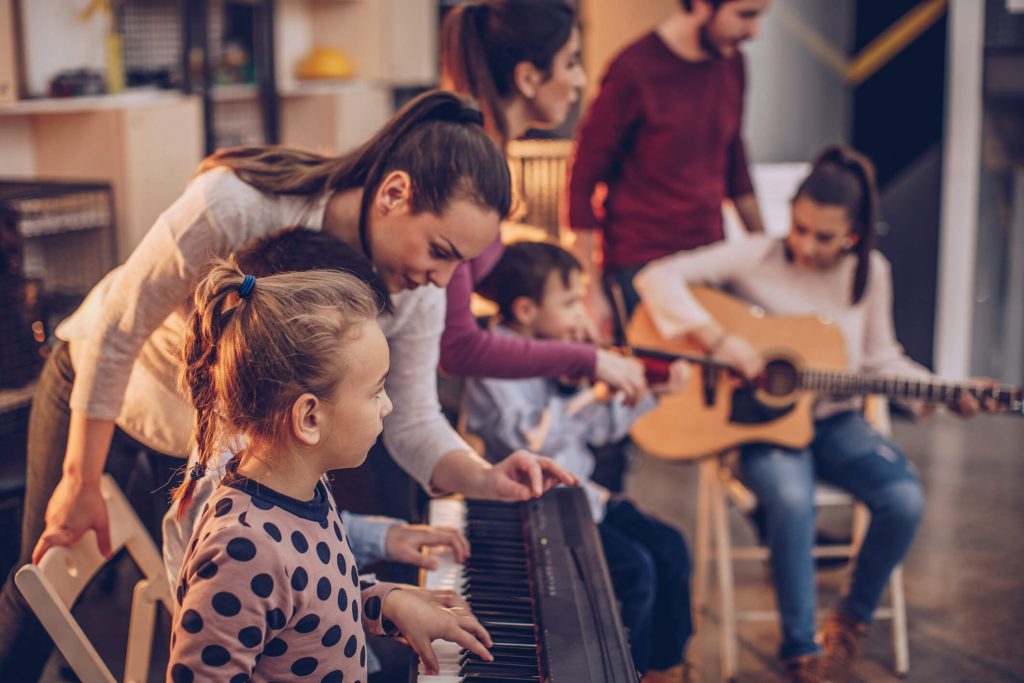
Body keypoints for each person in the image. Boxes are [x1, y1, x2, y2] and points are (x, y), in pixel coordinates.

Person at [0, 90, 575, 681]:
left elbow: (413, 421)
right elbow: (118, 332)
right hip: (111, 375)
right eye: (440, 252)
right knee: (47, 578)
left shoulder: (416, 291)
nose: (441, 281)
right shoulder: (236, 205)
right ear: (395, 193)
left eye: (460, 267)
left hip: (222, 423)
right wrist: (80, 479)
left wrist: (482, 476)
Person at [634, 144, 989, 682]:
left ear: (855, 231)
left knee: (903, 497)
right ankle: (800, 650)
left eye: (825, 237)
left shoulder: (871, 273)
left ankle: (848, 623)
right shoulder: (756, 254)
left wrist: (942, 391)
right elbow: (655, 278)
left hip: (836, 422)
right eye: (798, 227)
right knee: (792, 499)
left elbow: (880, 359)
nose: (805, 244)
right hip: (760, 427)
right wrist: (723, 342)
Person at [168, 260, 494, 682]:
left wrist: (386, 602)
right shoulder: (242, 549)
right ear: (309, 418)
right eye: (376, 391)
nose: (388, 405)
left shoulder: (304, 490)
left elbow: (309, 601)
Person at [466, 241, 695, 683]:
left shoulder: (557, 352)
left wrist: (645, 394)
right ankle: (631, 670)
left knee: (670, 547)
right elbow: (530, 439)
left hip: (584, 494)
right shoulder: (494, 360)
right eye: (570, 302)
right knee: (635, 571)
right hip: (538, 504)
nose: (580, 317)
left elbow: (598, 431)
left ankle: (666, 669)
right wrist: (591, 381)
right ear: (527, 309)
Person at [437, 0, 649, 400]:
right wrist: (587, 361)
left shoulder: (490, 155)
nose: (582, 80)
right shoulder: (466, 167)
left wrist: (561, 315)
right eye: (570, 63)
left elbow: (474, 282)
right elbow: (457, 347)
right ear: (528, 77)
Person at [568, 0, 769, 342]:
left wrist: (768, 253)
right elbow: (582, 181)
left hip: (708, 260)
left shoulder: (733, 64)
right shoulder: (633, 70)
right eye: (745, 15)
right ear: (701, 6)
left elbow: (736, 168)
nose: (754, 32)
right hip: (640, 268)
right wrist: (590, 288)